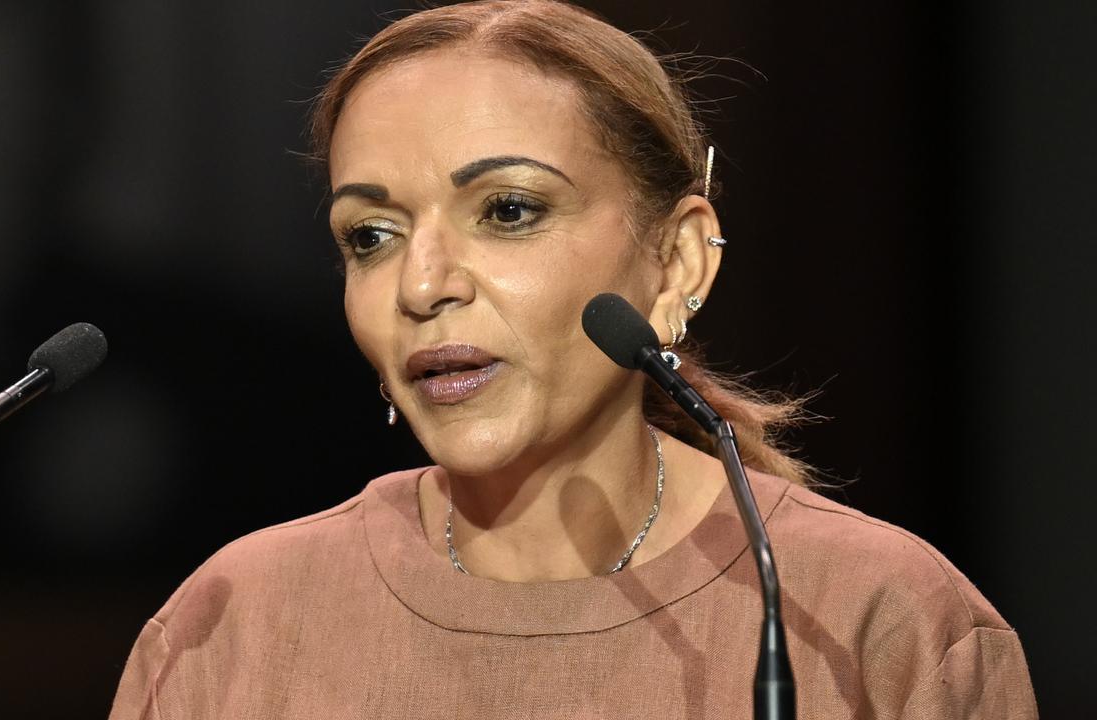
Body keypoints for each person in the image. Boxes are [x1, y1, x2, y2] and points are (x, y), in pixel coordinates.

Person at [108, 1, 1037, 717]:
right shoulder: (237, 623)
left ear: (675, 262)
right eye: (372, 235)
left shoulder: (879, 621)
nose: (421, 286)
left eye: (509, 211)